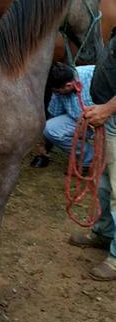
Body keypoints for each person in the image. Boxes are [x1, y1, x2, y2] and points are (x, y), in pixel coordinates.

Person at [69, 38, 116, 281]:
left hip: (112, 114)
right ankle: (104, 231)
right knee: (104, 184)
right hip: (109, 117)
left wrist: (108, 109)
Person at [43, 63, 95, 169]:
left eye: (58, 91)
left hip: (108, 120)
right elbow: (54, 113)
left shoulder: (93, 73)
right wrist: (45, 145)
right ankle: (90, 159)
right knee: (50, 129)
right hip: (80, 121)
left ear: (69, 85)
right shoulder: (58, 90)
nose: (56, 93)